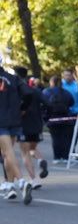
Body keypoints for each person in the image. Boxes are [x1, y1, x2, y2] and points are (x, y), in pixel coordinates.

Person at [0, 63, 30, 205]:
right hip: (14, 118)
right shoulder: (13, 78)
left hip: (1, 120)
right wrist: (23, 108)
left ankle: (21, 181)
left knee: (8, 152)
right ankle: (10, 186)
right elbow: (29, 93)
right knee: (7, 153)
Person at [43, 76, 75, 163]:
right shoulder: (66, 92)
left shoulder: (46, 92)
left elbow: (43, 103)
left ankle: (57, 157)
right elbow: (72, 102)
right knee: (65, 138)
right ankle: (65, 157)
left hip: (52, 119)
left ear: (51, 82)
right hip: (66, 118)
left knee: (55, 138)